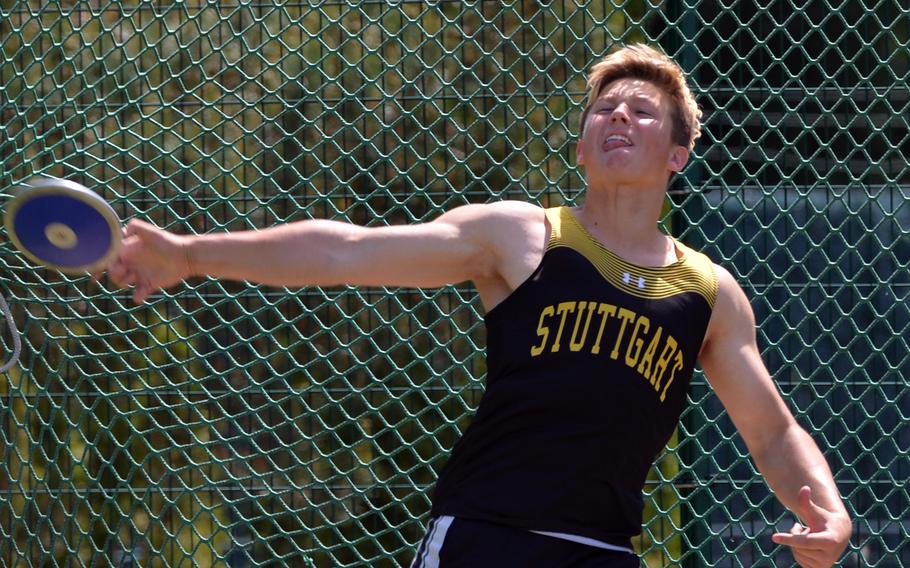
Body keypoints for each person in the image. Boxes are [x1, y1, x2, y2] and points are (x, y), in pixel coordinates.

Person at [107, 44, 851, 567]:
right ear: (584, 147)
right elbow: (345, 251)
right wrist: (189, 254)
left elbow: (771, 431)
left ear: (678, 155)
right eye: (604, 110)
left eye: (643, 112)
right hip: (487, 532)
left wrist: (829, 512)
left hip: (603, 548)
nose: (618, 117)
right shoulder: (520, 236)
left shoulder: (709, 291)